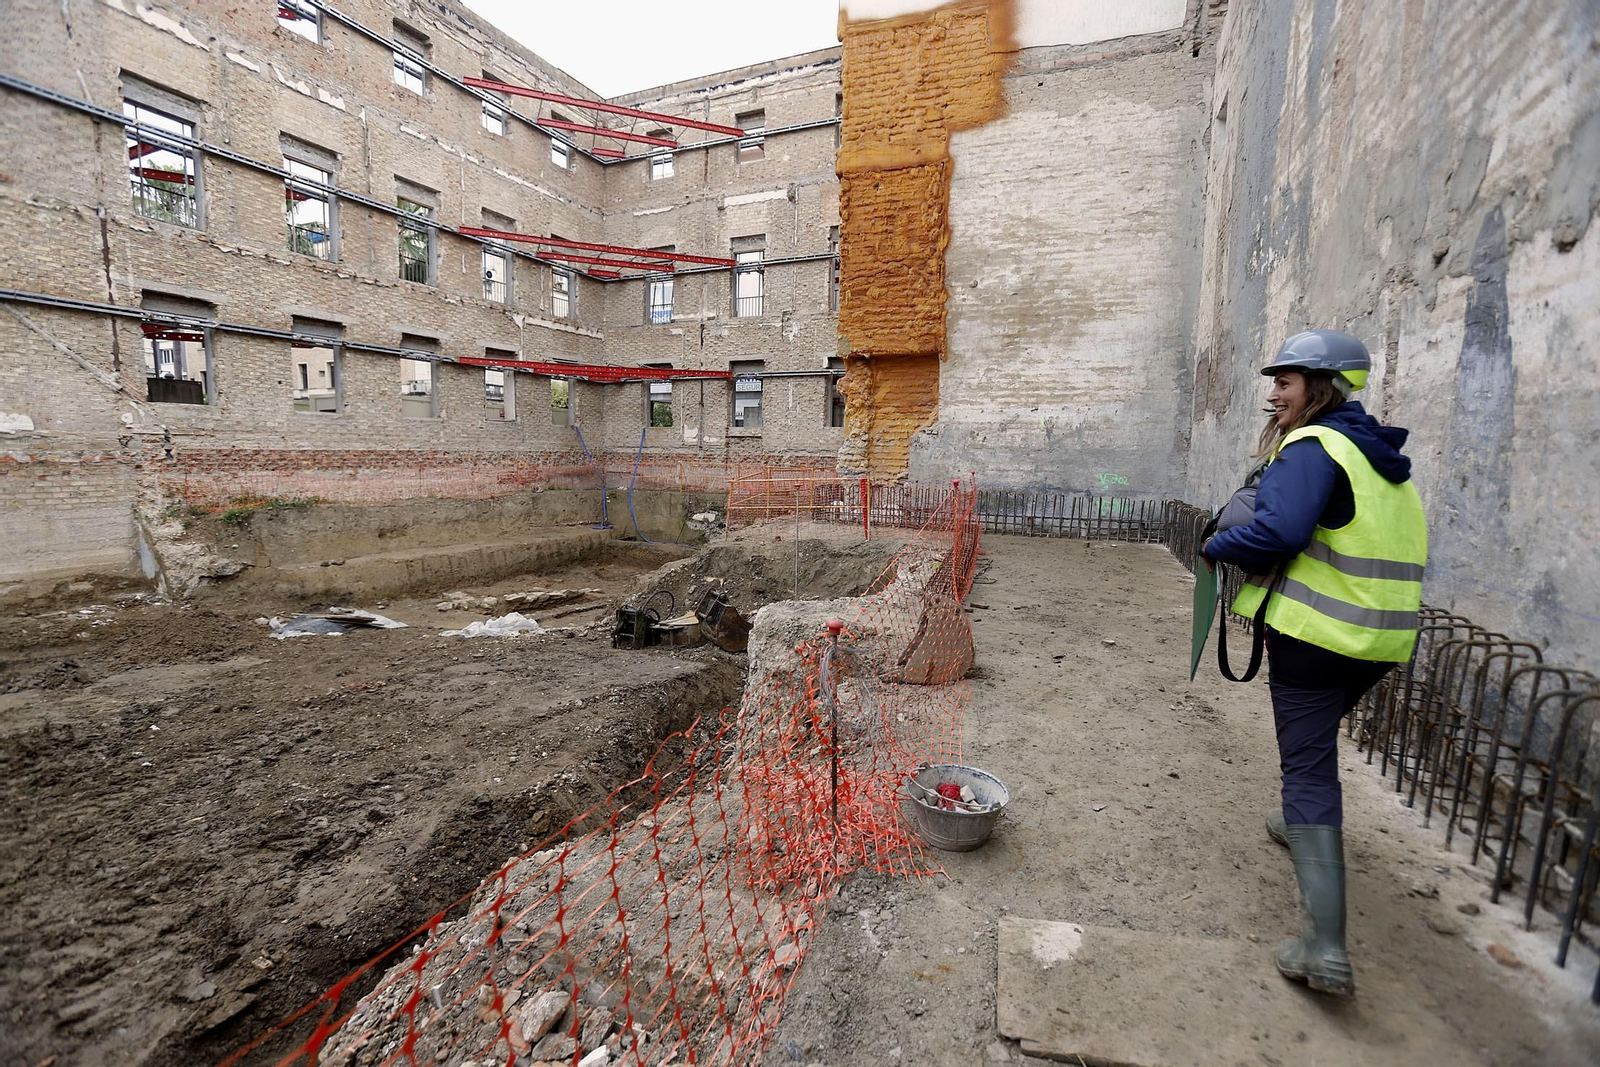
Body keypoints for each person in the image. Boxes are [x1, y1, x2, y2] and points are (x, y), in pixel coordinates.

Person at [1200, 329, 1427, 997]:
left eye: (1288, 382)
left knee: (1308, 767)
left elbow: (1279, 531)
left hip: (1318, 635)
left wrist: (1218, 545)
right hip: (1381, 641)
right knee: (1314, 744)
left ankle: (1323, 947)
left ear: (1320, 389)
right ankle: (1295, 820)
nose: (1275, 393)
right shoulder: (1382, 459)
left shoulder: (1311, 446)